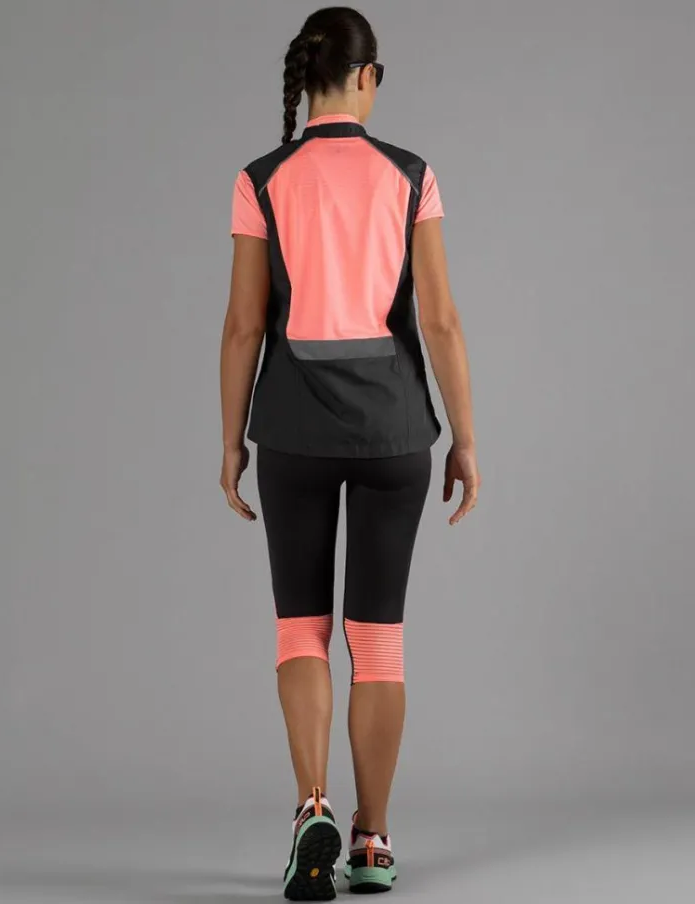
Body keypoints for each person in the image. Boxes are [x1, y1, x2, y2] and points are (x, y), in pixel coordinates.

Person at [219, 6, 479, 898]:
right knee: (380, 641)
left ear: (310, 77)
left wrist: (229, 443)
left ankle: (311, 808)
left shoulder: (261, 179)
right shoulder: (411, 176)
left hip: (292, 430)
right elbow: (440, 321)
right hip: (395, 434)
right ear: (368, 77)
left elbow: (243, 325)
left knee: (301, 630)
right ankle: (371, 840)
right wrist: (466, 439)